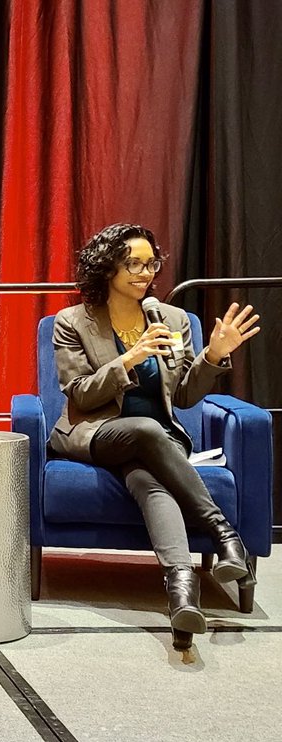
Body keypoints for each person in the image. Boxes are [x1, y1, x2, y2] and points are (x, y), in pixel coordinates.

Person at [50, 222, 261, 646]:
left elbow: (182, 395)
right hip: (97, 432)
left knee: (150, 483)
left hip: (159, 440)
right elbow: (81, 395)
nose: (145, 273)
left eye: (151, 263)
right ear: (107, 268)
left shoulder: (173, 319)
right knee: (144, 430)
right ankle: (224, 535)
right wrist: (131, 358)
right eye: (133, 264)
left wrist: (214, 356)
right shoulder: (73, 321)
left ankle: (182, 599)